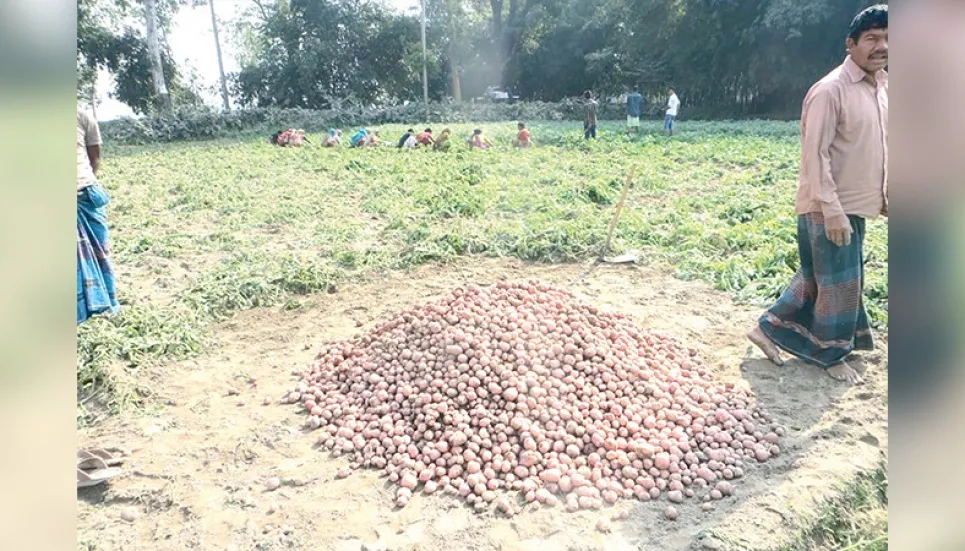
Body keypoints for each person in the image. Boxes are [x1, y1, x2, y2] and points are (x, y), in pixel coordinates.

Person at [747, 4, 888, 386]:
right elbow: (815, 155)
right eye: (872, 38)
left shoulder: (882, 87)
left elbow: (880, 145)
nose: (882, 47)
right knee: (839, 283)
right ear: (851, 43)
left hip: (855, 203)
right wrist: (832, 210)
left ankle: (767, 329)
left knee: (823, 276)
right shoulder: (830, 91)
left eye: (889, 39)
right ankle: (831, 356)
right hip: (828, 205)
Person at [77, 108, 120, 325]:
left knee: (100, 251)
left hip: (84, 194)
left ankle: (105, 304)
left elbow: (95, 158)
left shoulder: (83, 117)